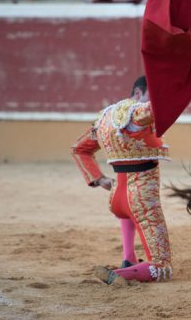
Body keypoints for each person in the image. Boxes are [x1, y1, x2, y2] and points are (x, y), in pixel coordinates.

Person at [71, 76, 172, 284]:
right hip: (142, 198)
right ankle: (117, 275)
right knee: (162, 266)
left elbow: (79, 149)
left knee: (130, 212)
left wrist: (98, 179)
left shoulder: (104, 119)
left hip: (117, 196)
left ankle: (128, 259)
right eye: (150, 96)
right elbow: (155, 109)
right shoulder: (135, 114)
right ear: (137, 94)